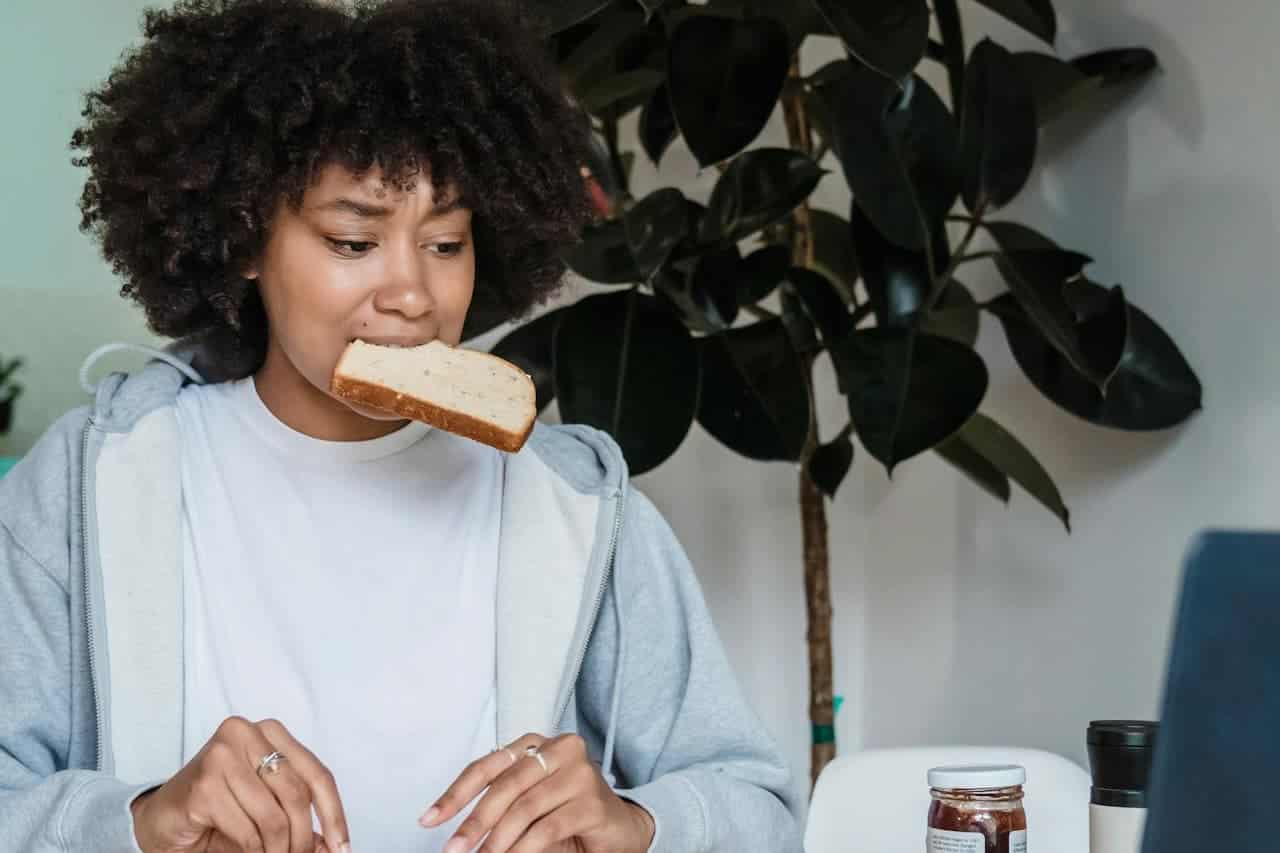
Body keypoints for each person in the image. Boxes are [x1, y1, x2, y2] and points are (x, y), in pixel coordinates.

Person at [0, 0, 803, 851]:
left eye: (447, 242)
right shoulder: (94, 479)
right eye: (353, 240)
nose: (413, 294)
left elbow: (761, 811)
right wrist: (139, 819)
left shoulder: (573, 503)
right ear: (243, 239)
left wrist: (636, 822)